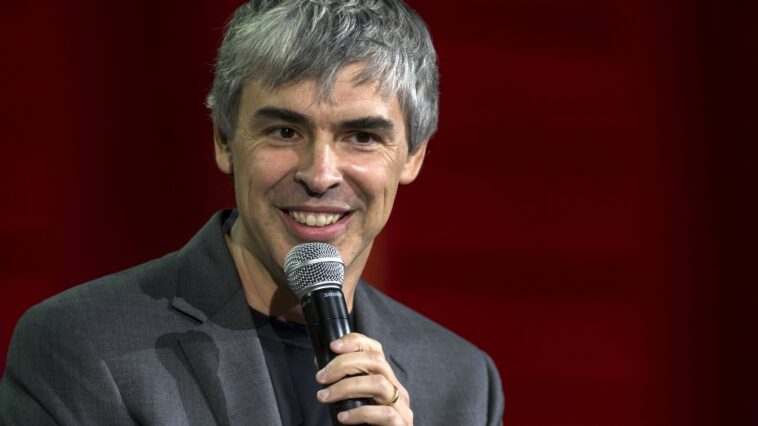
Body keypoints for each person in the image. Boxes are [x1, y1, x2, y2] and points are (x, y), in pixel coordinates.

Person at [0, 1, 504, 424]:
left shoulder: (462, 383)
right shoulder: (81, 345)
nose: (320, 174)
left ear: (413, 156)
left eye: (361, 136)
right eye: (285, 132)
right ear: (224, 140)